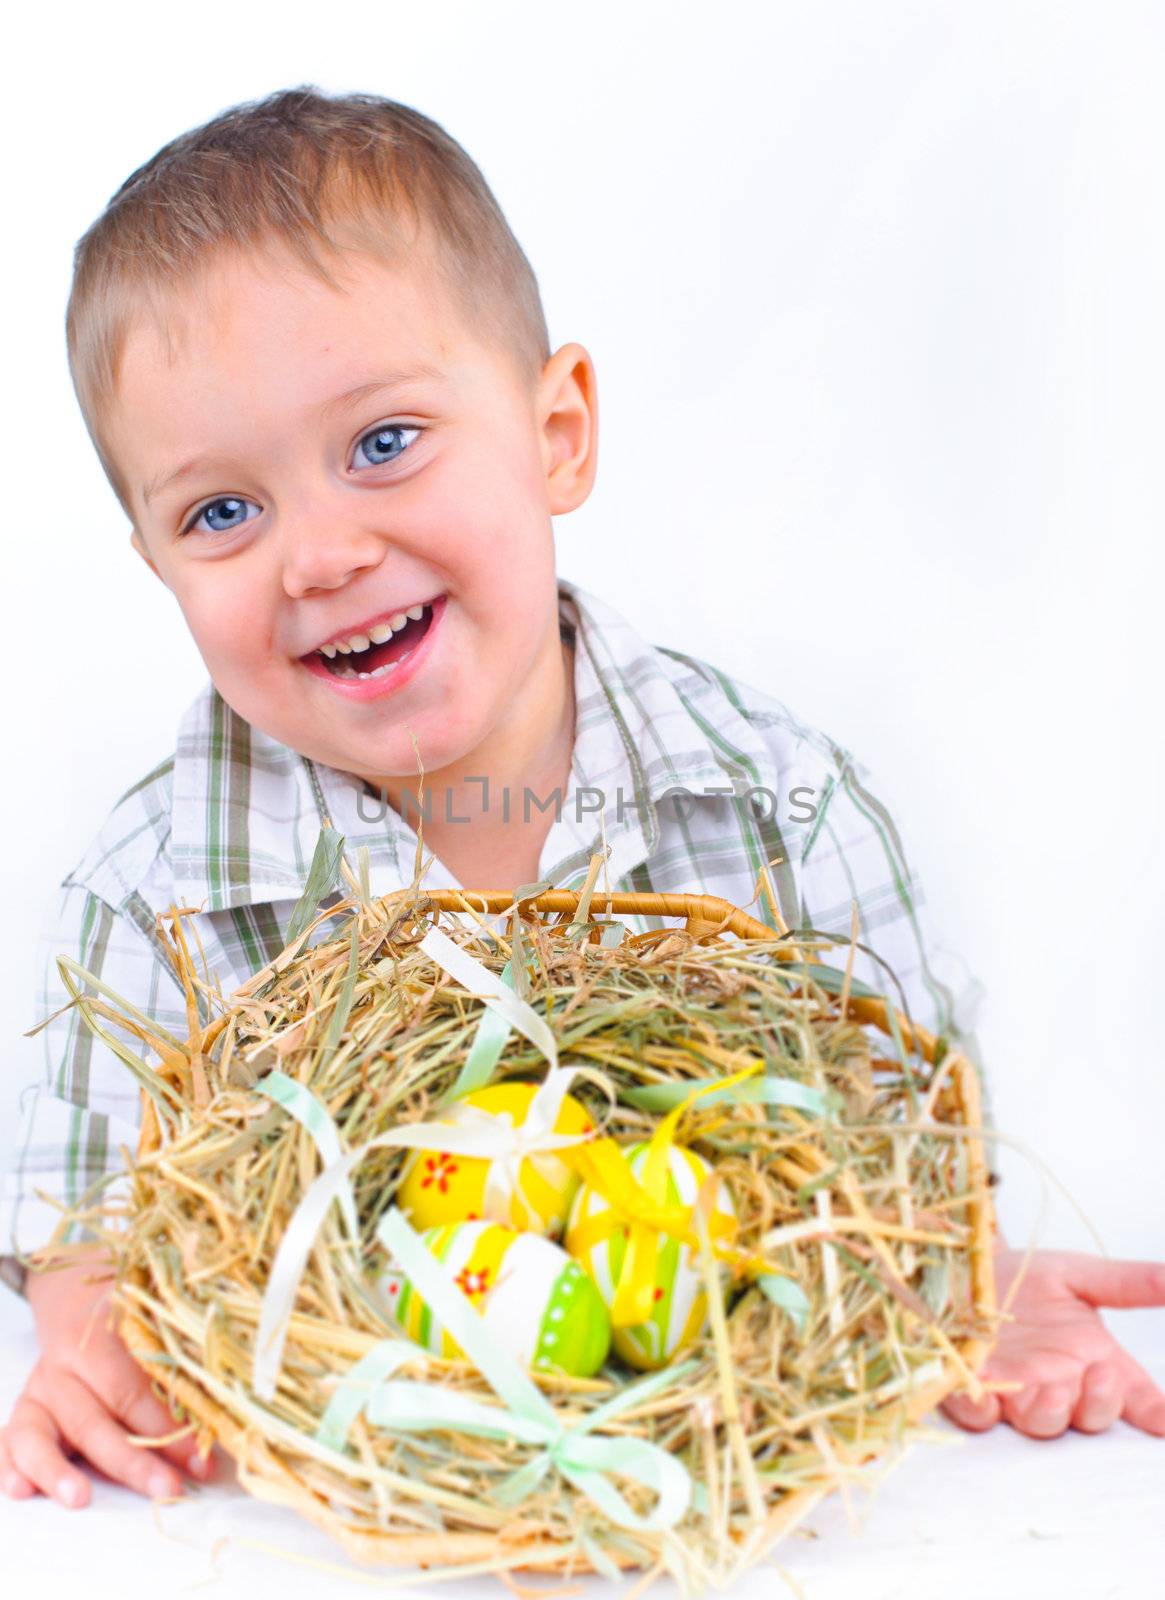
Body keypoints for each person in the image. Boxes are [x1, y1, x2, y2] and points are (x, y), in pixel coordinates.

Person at [1, 86, 1161, 1513]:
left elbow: (898, 1154)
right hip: (343, 1511)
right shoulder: (159, 885)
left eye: (382, 443)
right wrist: (97, 1354)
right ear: (157, 567)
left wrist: (956, 1285)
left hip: (716, 1469)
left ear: (557, 434)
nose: (319, 555)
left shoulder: (770, 806)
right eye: (221, 513)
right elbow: (88, 1219)